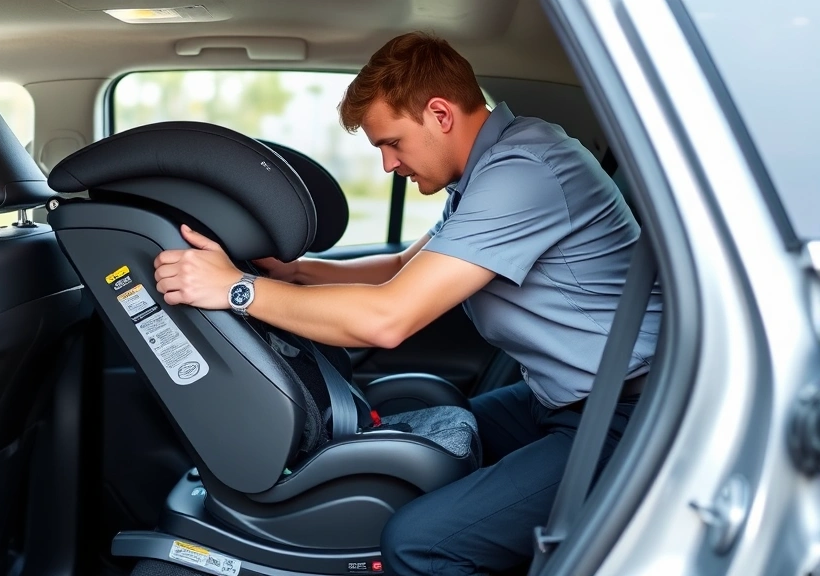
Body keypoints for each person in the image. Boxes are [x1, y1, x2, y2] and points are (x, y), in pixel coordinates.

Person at [153, 31, 662, 576]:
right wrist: (292, 272)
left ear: (440, 114)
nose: (388, 165)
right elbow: (401, 269)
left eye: (391, 143)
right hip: (559, 401)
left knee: (418, 544)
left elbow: (389, 318)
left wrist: (237, 290)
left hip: (624, 417)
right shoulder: (489, 172)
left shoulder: (527, 171)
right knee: (400, 441)